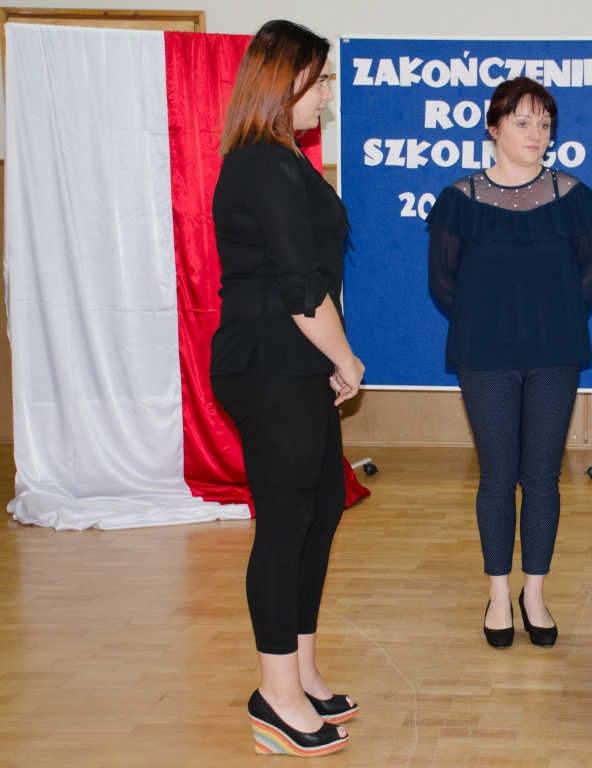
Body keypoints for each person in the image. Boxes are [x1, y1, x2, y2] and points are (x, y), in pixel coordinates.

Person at [209, 19, 364, 757]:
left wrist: (328, 357)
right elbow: (302, 289)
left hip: (295, 360)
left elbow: (309, 277)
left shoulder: (283, 161)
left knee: (320, 507)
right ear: (283, 80)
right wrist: (348, 360)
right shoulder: (262, 165)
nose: (326, 94)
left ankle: (299, 669)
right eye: (319, 79)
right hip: (268, 360)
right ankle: (274, 696)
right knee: (284, 522)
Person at [427, 77, 592, 649]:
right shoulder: (459, 199)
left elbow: (591, 276)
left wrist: (548, 322)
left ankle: (535, 593)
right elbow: (444, 283)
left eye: (545, 124)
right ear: (494, 127)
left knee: (543, 478)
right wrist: (493, 323)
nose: (537, 134)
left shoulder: (572, 195)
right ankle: (499, 594)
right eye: (523, 122)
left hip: (556, 355)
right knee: (498, 477)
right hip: (485, 357)